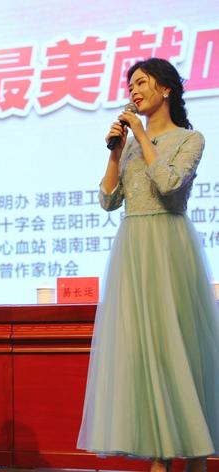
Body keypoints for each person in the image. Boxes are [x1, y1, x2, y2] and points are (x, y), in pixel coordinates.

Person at [77, 58, 219, 472]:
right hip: (133, 249)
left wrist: (140, 134)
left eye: (141, 83)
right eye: (130, 86)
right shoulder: (129, 145)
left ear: (166, 89)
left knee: (180, 346)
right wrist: (116, 152)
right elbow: (108, 200)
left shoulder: (189, 138)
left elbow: (170, 184)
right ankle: (161, 453)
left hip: (169, 247)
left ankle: (194, 454)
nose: (134, 91)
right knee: (145, 352)